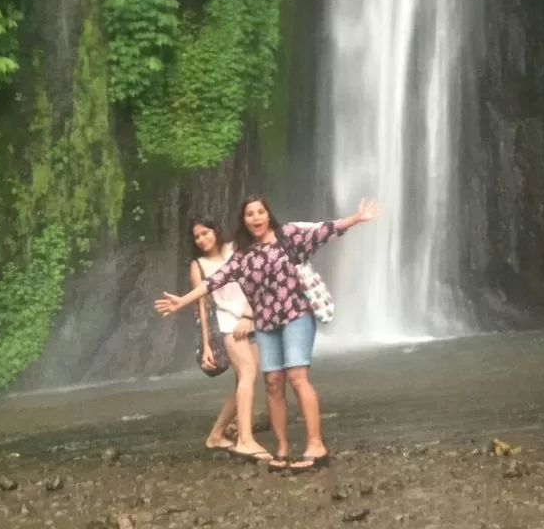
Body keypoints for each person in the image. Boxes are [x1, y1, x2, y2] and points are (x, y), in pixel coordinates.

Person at [155, 195, 379, 472]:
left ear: (268, 214)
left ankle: (315, 445)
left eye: (260, 212)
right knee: (273, 383)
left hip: (296, 315)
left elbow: (323, 230)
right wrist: (182, 301)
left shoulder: (288, 235)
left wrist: (355, 219)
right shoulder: (243, 255)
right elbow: (215, 280)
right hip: (266, 324)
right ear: (244, 221)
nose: (256, 218)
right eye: (249, 214)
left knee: (297, 377)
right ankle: (283, 447)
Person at [189, 218, 270, 462]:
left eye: (206, 233)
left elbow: (254, 280)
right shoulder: (198, 265)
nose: (203, 239)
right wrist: (206, 346)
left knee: (245, 381)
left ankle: (216, 435)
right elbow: (201, 307)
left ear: (216, 231)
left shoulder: (235, 249)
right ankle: (245, 439)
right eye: (197, 237)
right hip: (226, 326)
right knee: (248, 374)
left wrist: (248, 314)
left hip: (248, 320)